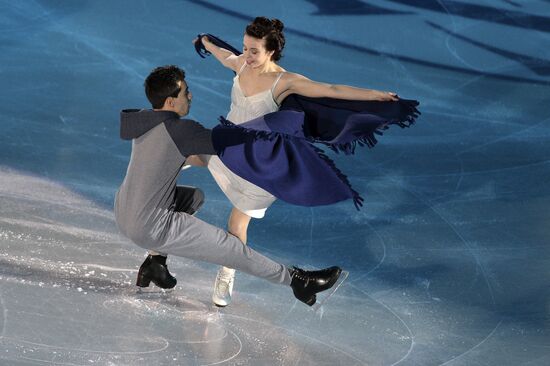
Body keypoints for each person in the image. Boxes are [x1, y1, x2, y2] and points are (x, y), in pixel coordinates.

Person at [196, 17, 400, 307]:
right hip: (227, 146)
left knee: (236, 223)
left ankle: (227, 273)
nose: (247, 55)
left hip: (258, 164)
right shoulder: (241, 63)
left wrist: (375, 96)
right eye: (245, 48)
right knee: (181, 153)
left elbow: (332, 90)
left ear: (271, 52)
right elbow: (224, 55)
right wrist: (205, 41)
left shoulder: (284, 81)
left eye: (254, 51)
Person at [114, 65, 343, 307]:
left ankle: (155, 264)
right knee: (230, 248)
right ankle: (297, 281)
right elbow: (231, 142)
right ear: (171, 102)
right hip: (150, 226)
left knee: (192, 198)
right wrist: (275, 124)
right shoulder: (181, 130)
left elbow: (178, 156)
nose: (190, 96)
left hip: (124, 211)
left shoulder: (142, 122)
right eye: (185, 92)